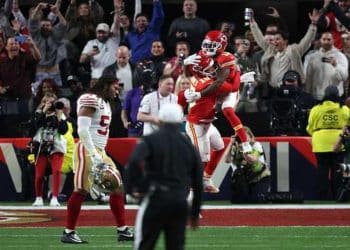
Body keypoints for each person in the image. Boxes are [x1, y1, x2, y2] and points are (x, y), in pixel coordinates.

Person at [61, 76, 134, 244]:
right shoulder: (90, 99)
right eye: (115, 87)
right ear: (106, 85)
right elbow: (83, 130)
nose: (117, 91)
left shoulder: (106, 103)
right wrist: (93, 155)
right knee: (80, 190)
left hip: (100, 150)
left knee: (117, 187)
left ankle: (122, 230)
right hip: (87, 148)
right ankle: (68, 231)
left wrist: (98, 154)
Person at [125, 103, 203, 250]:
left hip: (156, 197)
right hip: (180, 201)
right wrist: (195, 213)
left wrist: (135, 188)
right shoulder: (188, 145)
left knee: (144, 244)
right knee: (175, 246)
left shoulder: (150, 139)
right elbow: (198, 181)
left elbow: (133, 162)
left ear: (160, 120)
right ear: (180, 121)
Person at [306, 85, 349, 200]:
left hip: (320, 142)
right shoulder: (344, 109)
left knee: (322, 170)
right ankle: (338, 196)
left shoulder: (316, 109)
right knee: (338, 170)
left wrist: (317, 135)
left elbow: (309, 128)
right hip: (339, 141)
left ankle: (322, 198)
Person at [31, 93, 68, 207]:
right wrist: (43, 111)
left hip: (56, 146)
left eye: (52, 103)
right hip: (41, 146)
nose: (50, 105)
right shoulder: (38, 114)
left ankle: (55, 197)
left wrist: (59, 115)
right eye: (47, 102)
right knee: (39, 175)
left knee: (56, 171)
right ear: (42, 103)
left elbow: (63, 131)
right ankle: (38, 198)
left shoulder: (60, 115)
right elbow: (34, 127)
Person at [226, 126, 271, 203]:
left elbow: (253, 160)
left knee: (257, 200)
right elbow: (227, 160)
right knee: (239, 201)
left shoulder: (256, 145)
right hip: (243, 179)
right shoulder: (235, 147)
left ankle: (267, 196)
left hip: (259, 177)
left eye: (245, 137)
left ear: (250, 137)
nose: (243, 140)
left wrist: (244, 148)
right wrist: (230, 144)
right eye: (240, 137)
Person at [305, 31, 348, 102]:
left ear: (333, 40)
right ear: (320, 40)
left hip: (335, 97)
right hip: (317, 96)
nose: (326, 42)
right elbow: (309, 77)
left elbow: (344, 77)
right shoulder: (313, 57)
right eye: (324, 39)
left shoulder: (340, 56)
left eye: (329, 39)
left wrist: (336, 65)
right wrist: (307, 94)